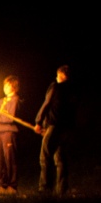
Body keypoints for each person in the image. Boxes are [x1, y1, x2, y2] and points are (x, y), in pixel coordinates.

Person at [34, 66, 74, 195]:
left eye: (57, 75)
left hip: (54, 126)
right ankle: (62, 189)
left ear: (61, 75)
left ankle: (45, 188)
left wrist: (38, 122)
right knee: (61, 158)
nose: (56, 78)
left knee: (45, 157)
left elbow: (47, 103)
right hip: (66, 128)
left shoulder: (56, 86)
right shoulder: (73, 90)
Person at [0, 76, 22, 192]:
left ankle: (12, 186)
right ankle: (3, 185)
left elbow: (10, 118)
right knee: (0, 159)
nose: (5, 88)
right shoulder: (1, 101)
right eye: (4, 85)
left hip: (9, 132)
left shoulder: (16, 100)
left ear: (14, 87)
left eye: (7, 85)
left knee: (10, 159)